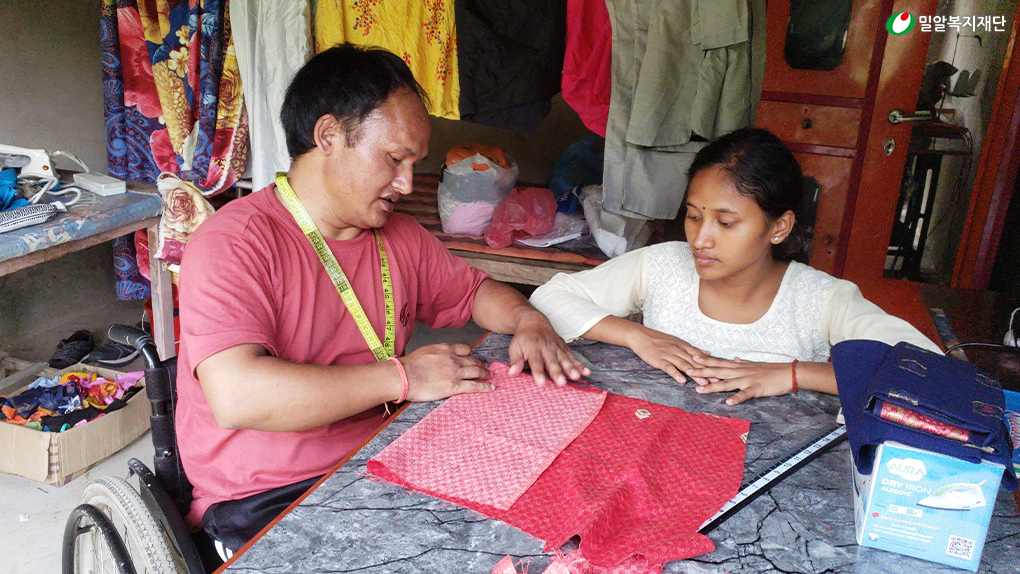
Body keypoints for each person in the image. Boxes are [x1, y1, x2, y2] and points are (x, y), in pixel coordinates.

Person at [175, 43, 589, 555]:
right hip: (268, 494)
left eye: (414, 163)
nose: (406, 183)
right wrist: (405, 377)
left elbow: (477, 292)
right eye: (394, 159)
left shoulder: (399, 236)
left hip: (383, 453)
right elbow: (238, 395)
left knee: (549, 515)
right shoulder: (234, 242)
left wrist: (527, 317)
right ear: (328, 135)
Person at [530, 127, 941, 406]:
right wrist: (636, 335)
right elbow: (549, 296)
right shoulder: (663, 266)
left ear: (778, 227)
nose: (701, 239)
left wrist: (795, 374)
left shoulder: (819, 300)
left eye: (726, 223)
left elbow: (929, 372)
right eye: (693, 216)